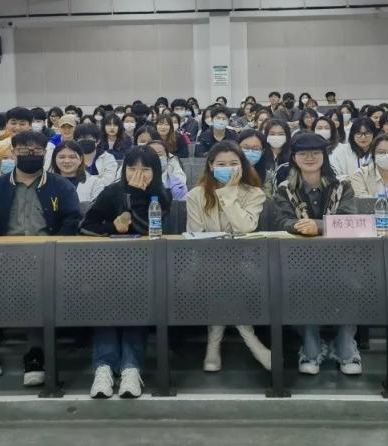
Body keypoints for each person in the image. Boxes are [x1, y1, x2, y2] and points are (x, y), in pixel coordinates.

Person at [0, 131, 82, 392]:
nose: (31, 154)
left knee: (37, 280)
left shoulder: (61, 186)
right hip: (0, 256)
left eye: (37, 150)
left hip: (46, 256)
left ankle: (36, 351)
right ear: (13, 152)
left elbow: (72, 220)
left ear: (44, 153)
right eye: (24, 150)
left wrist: (54, 249)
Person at [80, 146, 172, 399]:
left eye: (145, 169)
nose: (138, 174)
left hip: (148, 268)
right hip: (107, 267)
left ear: (156, 171)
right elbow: (86, 227)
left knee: (135, 306)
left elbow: (148, 230)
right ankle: (104, 367)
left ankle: (131, 368)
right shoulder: (112, 192)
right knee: (107, 307)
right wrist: (113, 227)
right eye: (132, 168)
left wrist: (136, 195)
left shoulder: (162, 196)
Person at [273, 132, 361, 376]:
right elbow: (282, 220)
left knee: (353, 283)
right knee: (301, 283)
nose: (309, 157)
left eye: (315, 153)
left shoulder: (342, 185)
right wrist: (300, 226)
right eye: (303, 153)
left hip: (341, 258)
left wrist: (319, 226)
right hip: (299, 259)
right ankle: (311, 344)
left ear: (324, 156)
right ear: (294, 158)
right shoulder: (285, 189)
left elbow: (348, 218)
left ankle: (346, 345)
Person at [185, 141, 270, 372]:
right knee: (220, 275)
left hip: (246, 261)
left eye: (233, 163)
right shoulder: (195, 195)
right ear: (211, 166)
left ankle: (214, 344)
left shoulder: (254, 194)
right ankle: (251, 340)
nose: (228, 168)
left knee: (227, 276)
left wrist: (230, 195)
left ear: (242, 166)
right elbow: (196, 234)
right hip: (206, 261)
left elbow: (245, 227)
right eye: (221, 164)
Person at [74, 123, 119, 188]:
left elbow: (108, 182)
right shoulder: (71, 158)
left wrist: (84, 183)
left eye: (89, 137)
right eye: (81, 138)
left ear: (98, 141)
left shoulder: (108, 158)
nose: (85, 140)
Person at [261, 119, 291, 196]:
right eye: (272, 134)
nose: (276, 137)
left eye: (281, 134)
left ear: (287, 136)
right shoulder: (260, 155)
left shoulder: (292, 156)